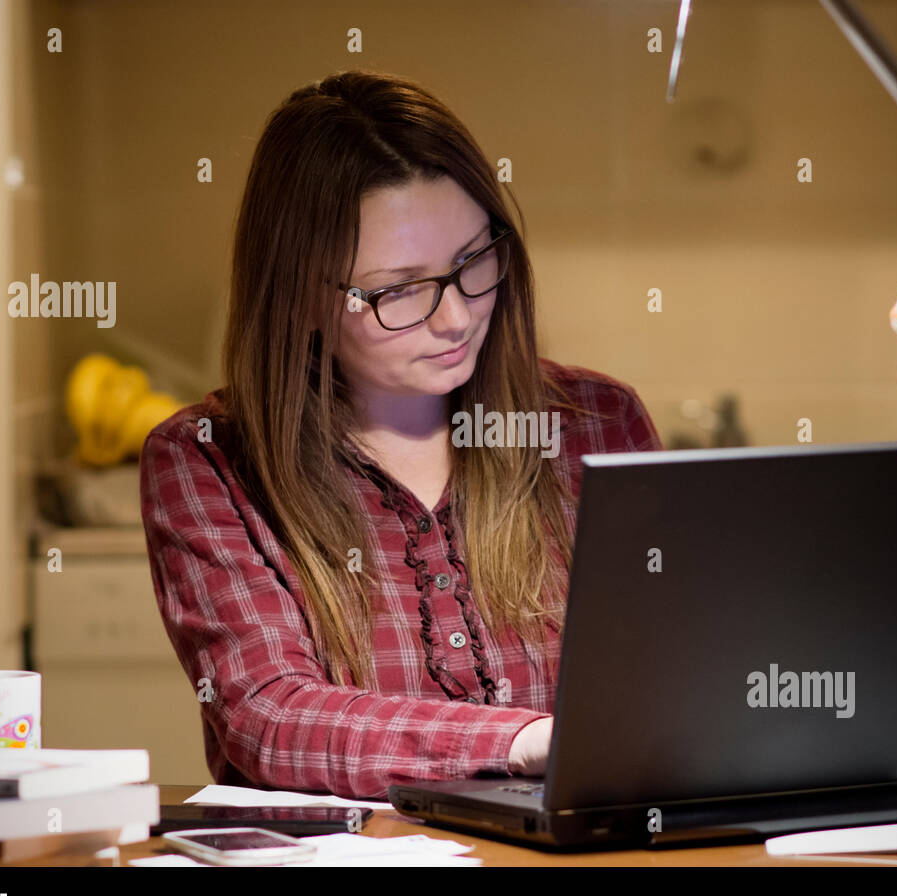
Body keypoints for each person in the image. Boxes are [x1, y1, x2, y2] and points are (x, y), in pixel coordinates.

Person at [139, 69, 661, 800]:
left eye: (473, 261)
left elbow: (675, 672)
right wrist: (527, 741)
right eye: (399, 289)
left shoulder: (596, 423)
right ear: (300, 297)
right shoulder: (207, 461)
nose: (456, 319)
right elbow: (268, 716)